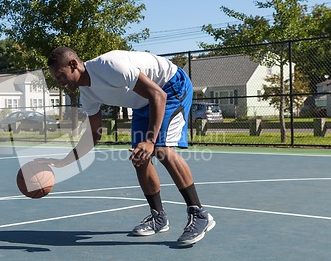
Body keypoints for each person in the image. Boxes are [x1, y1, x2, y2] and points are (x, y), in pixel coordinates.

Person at [43, 47, 215, 247]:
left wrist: (150, 140)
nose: (59, 82)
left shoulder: (110, 66)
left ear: (73, 65)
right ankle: (158, 217)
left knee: (161, 149)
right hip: (144, 103)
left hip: (170, 87)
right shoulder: (87, 93)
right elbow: (94, 134)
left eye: (60, 76)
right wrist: (65, 161)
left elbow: (158, 95)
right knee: (139, 158)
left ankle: (199, 213)